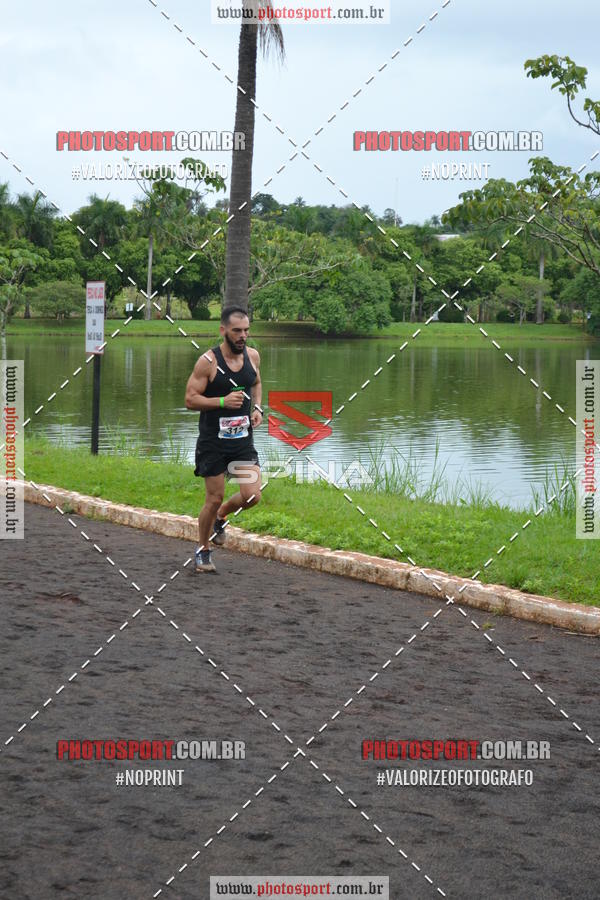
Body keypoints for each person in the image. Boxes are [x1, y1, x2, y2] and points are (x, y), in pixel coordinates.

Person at [184, 305, 263, 572]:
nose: (243, 336)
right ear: (223, 331)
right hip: (213, 443)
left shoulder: (252, 356)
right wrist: (222, 401)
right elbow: (190, 400)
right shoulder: (208, 362)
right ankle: (203, 549)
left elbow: (257, 382)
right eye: (237, 331)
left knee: (252, 496)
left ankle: (221, 517)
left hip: (242, 441)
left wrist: (258, 408)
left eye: (246, 331)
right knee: (213, 497)